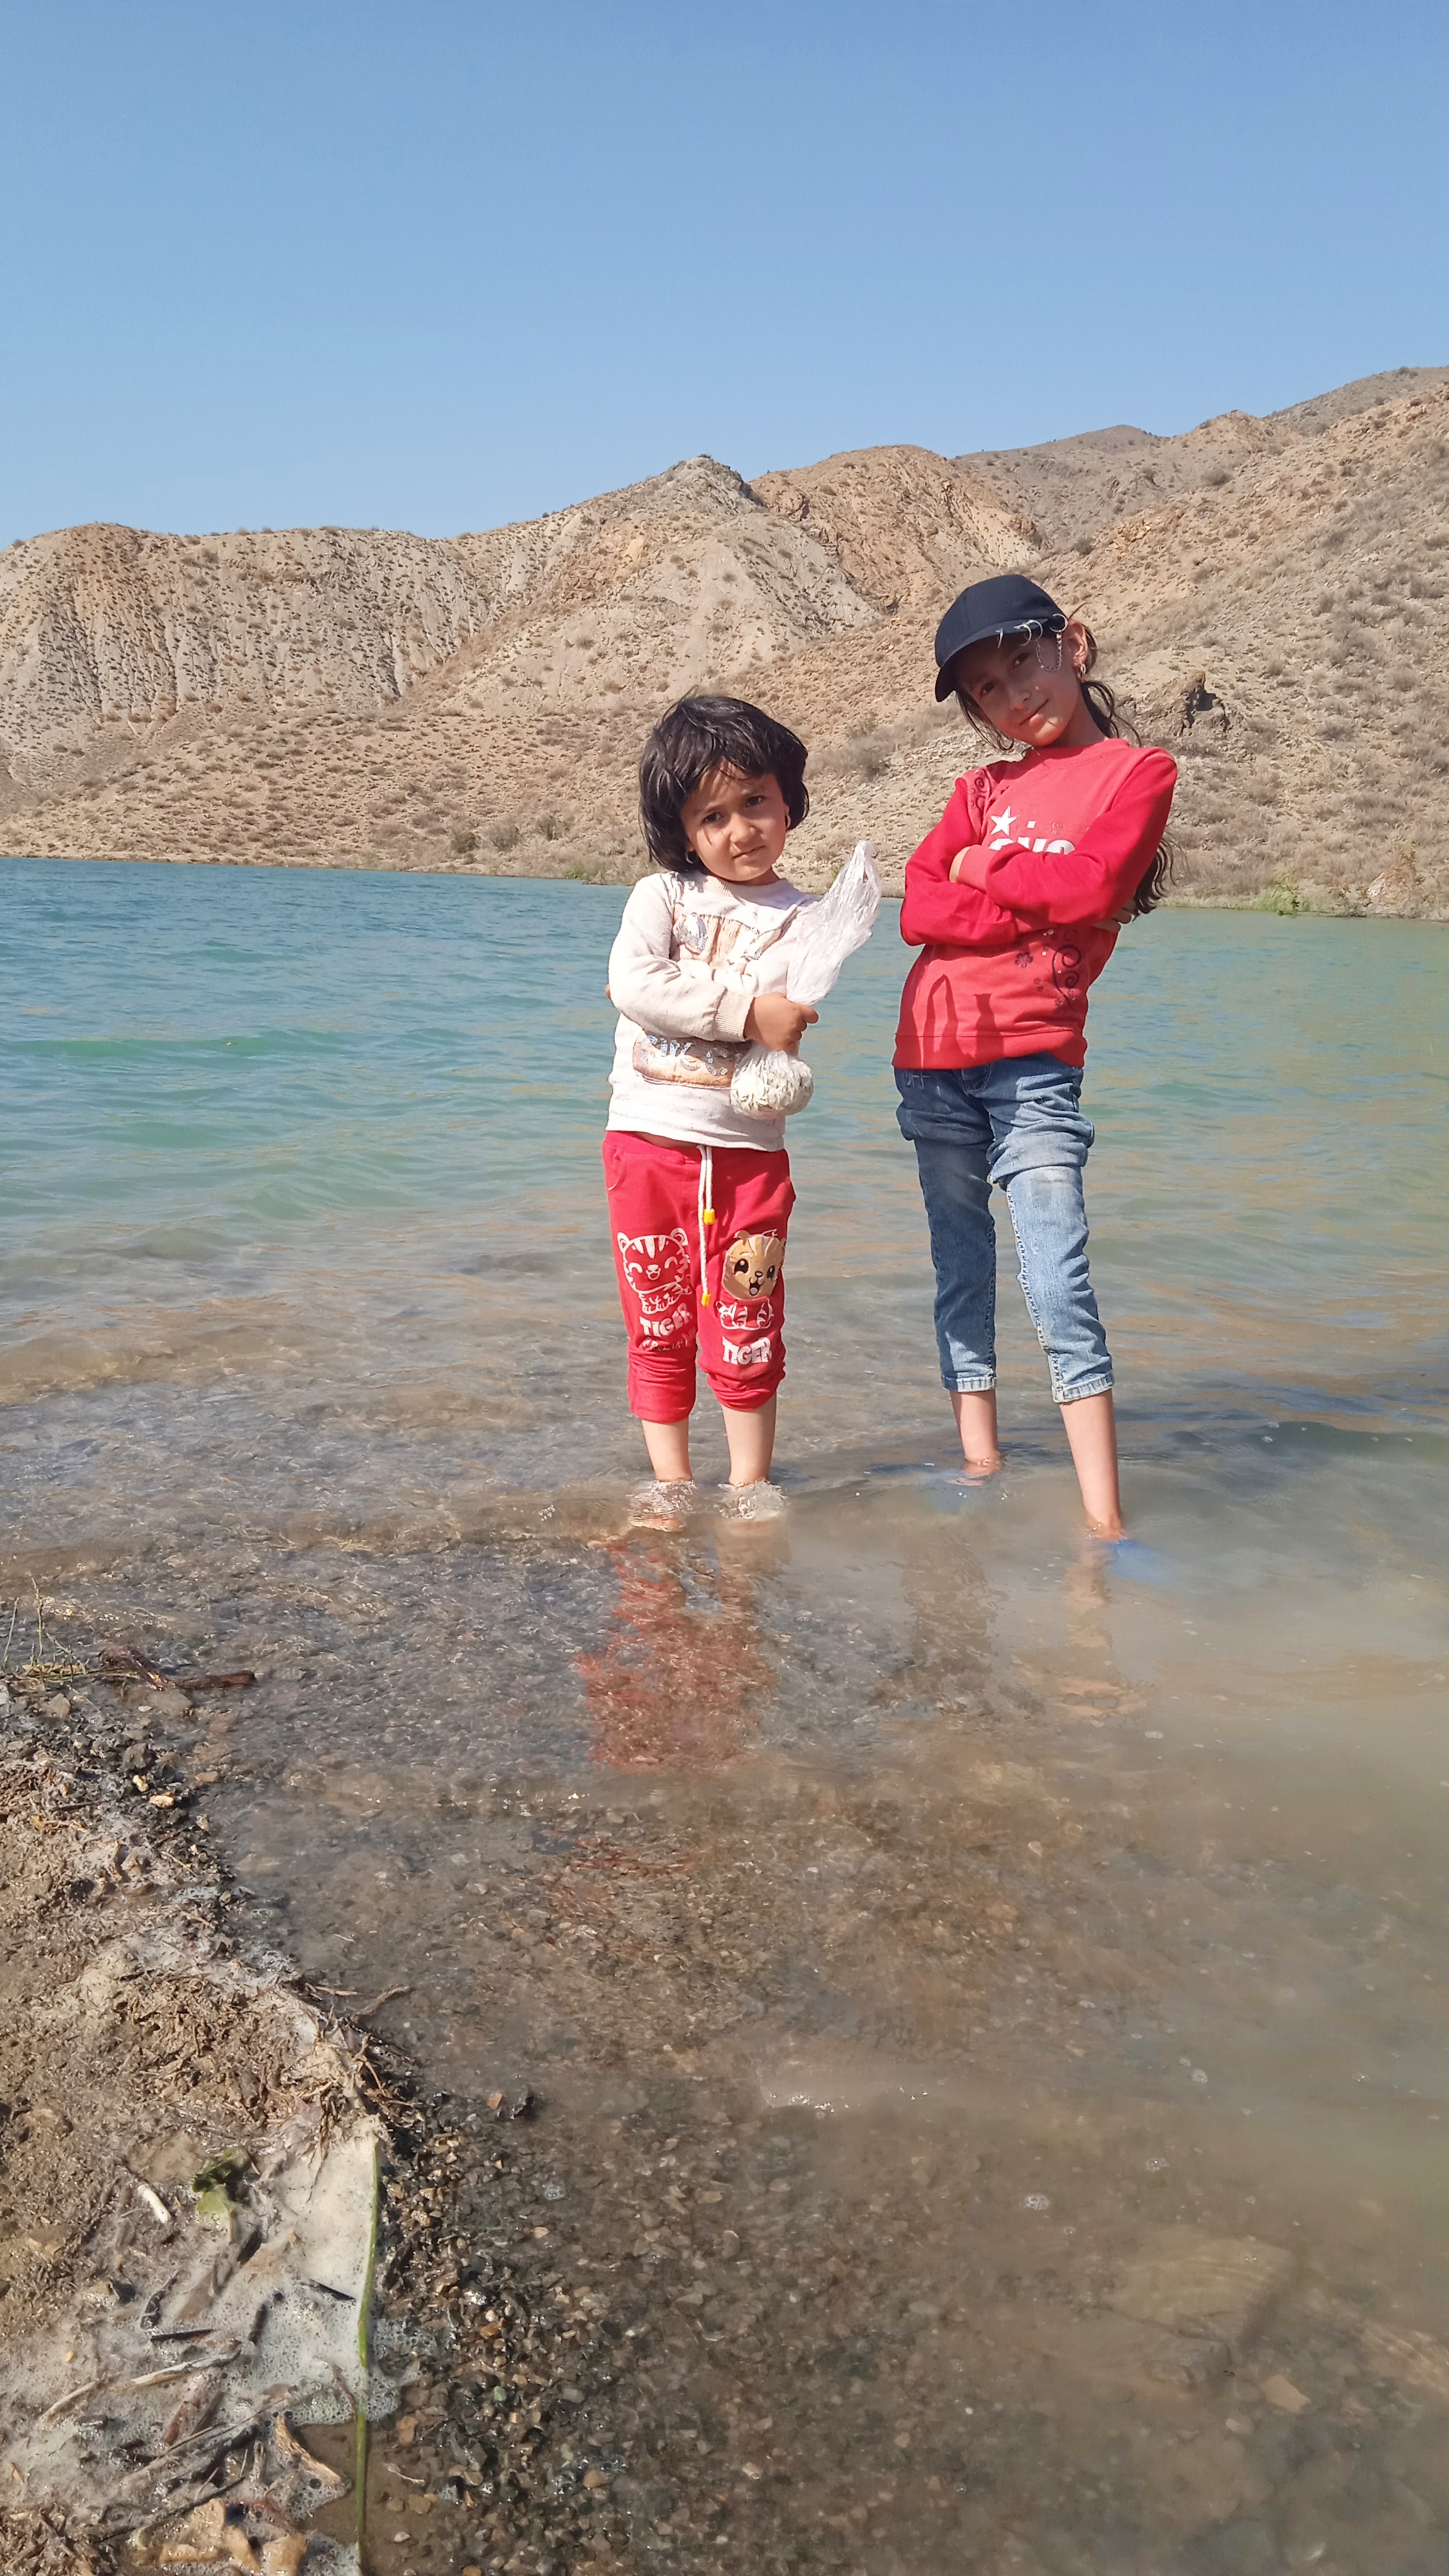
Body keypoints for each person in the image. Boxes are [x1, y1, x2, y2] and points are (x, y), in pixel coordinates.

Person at [895, 574, 1177, 1538]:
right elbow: (919, 906)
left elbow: (1095, 888)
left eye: (1024, 660)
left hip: (1034, 1065)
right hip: (931, 1050)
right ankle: (979, 1466)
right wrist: (1024, 902)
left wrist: (985, 868)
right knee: (961, 1265)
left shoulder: (1137, 773)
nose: (1014, 694)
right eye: (987, 688)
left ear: (1074, 646)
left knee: (1057, 1278)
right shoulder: (978, 789)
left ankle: (1106, 1522)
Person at [604, 694, 820, 1522]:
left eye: (755, 802)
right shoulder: (659, 898)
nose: (740, 831)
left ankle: (749, 1488)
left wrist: (774, 1024)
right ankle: (669, 1486)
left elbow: (792, 1020)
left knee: (747, 1316)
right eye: (712, 816)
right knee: (658, 1317)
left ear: (788, 800)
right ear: (683, 831)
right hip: (647, 1147)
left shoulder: (804, 920)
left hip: (750, 1159)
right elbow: (635, 984)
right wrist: (746, 1014)